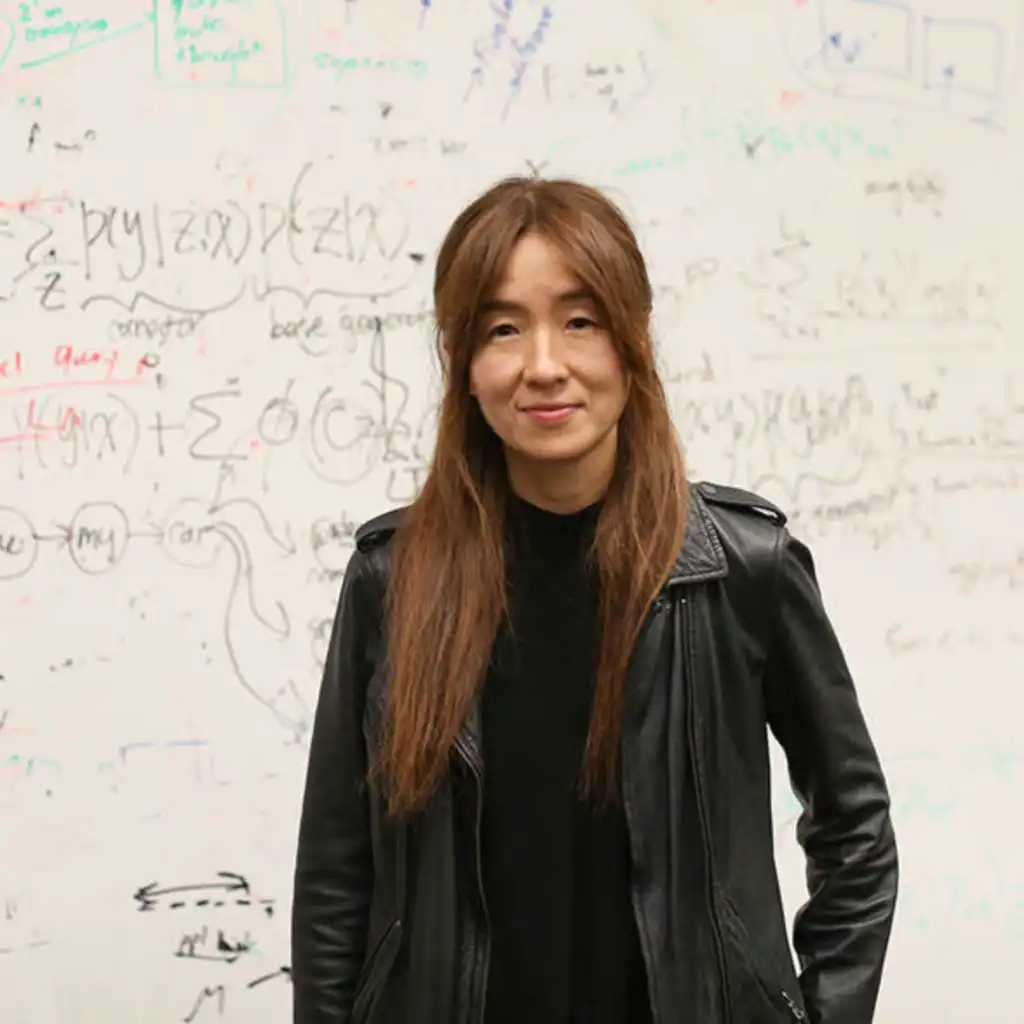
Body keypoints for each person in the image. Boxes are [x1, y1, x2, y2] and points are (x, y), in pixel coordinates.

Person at [291, 177, 898, 1024]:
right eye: (503, 329)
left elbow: (855, 828)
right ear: (463, 363)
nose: (545, 366)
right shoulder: (394, 580)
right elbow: (336, 872)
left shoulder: (741, 569)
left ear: (632, 339)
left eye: (580, 321)